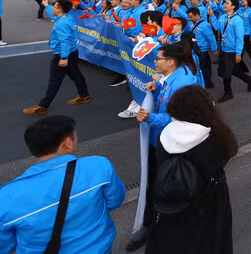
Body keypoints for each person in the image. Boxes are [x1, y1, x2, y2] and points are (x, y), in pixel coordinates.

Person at [0, 116, 126, 252]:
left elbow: (5, 245)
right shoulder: (98, 166)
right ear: (67, 143)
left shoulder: (7, 196)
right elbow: (115, 200)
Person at [145, 86, 236, 254]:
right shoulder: (213, 139)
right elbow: (230, 151)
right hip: (210, 205)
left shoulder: (163, 137)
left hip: (172, 206)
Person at [126, 43, 198, 251]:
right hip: (160, 141)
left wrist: (150, 117)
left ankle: (157, 226)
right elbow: (166, 102)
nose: (154, 62)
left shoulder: (182, 83)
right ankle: (152, 224)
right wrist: (156, 88)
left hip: (169, 145)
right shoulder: (173, 78)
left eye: (158, 59)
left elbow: (177, 118)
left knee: (162, 186)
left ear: (171, 62)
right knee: (154, 184)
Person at [24, 0, 91, 115]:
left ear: (60, 10)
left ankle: (42, 106)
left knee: (54, 81)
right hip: (72, 53)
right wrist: (46, 6)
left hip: (63, 54)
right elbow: (54, 17)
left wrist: (64, 58)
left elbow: (64, 41)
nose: (53, 8)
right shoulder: (66, 17)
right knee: (76, 75)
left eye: (54, 7)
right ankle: (84, 95)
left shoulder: (61, 24)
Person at [208, 0, 251, 103]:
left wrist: (238, 53)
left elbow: (239, 38)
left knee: (227, 72)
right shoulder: (223, 17)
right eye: (225, 3)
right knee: (232, 70)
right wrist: (212, 16)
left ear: (233, 6)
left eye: (227, 3)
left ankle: (228, 93)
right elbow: (217, 27)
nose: (225, 4)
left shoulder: (237, 20)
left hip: (232, 51)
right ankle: (248, 79)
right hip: (224, 49)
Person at [188, 7, 217, 88]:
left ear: (197, 15)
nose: (190, 19)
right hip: (196, 49)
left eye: (191, 17)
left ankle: (208, 84)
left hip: (202, 50)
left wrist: (214, 49)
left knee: (204, 67)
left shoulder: (204, 25)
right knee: (203, 66)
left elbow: (211, 38)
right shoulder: (192, 23)